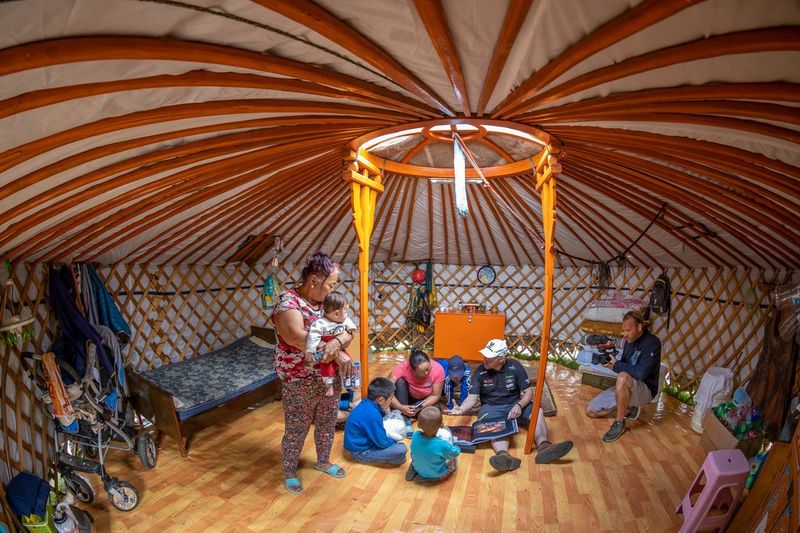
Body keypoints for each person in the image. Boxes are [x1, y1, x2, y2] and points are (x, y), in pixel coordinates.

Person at [272, 251, 354, 494]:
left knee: (327, 421)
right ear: (314, 281)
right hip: (299, 378)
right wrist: (335, 349)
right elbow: (296, 336)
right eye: (330, 284)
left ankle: (323, 460)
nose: (333, 288)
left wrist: (337, 345)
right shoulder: (288, 302)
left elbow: (348, 330)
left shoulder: (328, 302)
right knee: (297, 426)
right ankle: (289, 470)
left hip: (329, 377)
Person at [446, 339, 574, 471]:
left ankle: (544, 445)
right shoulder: (480, 371)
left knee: (538, 411)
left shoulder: (515, 366)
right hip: (491, 407)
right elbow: (472, 398)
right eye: (484, 355)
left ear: (501, 359)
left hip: (515, 404)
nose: (484, 359)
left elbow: (529, 392)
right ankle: (503, 456)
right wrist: (461, 409)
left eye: (489, 357)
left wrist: (519, 405)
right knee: (492, 424)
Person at [585, 310, 662, 443]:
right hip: (627, 387)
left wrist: (617, 366)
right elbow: (624, 365)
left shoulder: (652, 343)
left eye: (628, 330)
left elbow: (640, 373)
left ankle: (619, 423)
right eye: (624, 331)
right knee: (590, 410)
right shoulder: (628, 342)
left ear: (639, 327)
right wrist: (612, 364)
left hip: (645, 389)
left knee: (622, 377)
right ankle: (629, 408)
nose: (624, 335)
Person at [343, 377, 408, 465]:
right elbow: (382, 443)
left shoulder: (367, 403)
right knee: (401, 449)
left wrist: (386, 412)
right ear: (381, 400)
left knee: (397, 450)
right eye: (390, 399)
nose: (390, 402)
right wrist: (394, 440)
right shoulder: (372, 414)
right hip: (360, 452)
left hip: (361, 442)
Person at [305, 291, 357, 396]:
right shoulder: (320, 323)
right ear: (337, 313)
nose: (346, 314)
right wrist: (310, 351)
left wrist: (351, 329)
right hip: (326, 350)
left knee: (349, 363)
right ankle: (329, 386)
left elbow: (350, 325)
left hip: (341, 349)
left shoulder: (344, 320)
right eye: (345, 311)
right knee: (326, 367)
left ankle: (350, 382)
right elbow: (313, 336)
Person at [406, 406, 461, 483]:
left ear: (418, 425)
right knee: (453, 463)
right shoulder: (442, 444)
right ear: (441, 426)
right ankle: (430, 478)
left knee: (419, 453)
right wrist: (455, 447)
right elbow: (455, 453)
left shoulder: (415, 435)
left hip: (418, 466)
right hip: (435, 473)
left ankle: (414, 468)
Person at [389, 350, 444, 417]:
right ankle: (404, 416)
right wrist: (400, 407)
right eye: (422, 372)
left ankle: (407, 414)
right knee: (400, 381)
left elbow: (435, 395)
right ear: (412, 370)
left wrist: (418, 407)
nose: (426, 373)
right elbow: (387, 390)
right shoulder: (403, 367)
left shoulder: (438, 369)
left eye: (428, 369)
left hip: (426, 401)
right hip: (406, 400)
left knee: (435, 413)